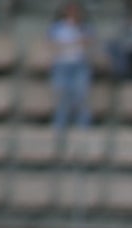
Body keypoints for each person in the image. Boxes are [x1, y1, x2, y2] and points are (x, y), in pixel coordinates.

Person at [48, 3, 94, 132]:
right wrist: (73, 43)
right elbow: (52, 44)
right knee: (62, 95)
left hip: (79, 65)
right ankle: (60, 125)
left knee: (81, 95)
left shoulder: (84, 27)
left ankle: (83, 125)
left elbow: (88, 42)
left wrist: (70, 42)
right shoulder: (57, 27)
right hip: (62, 64)